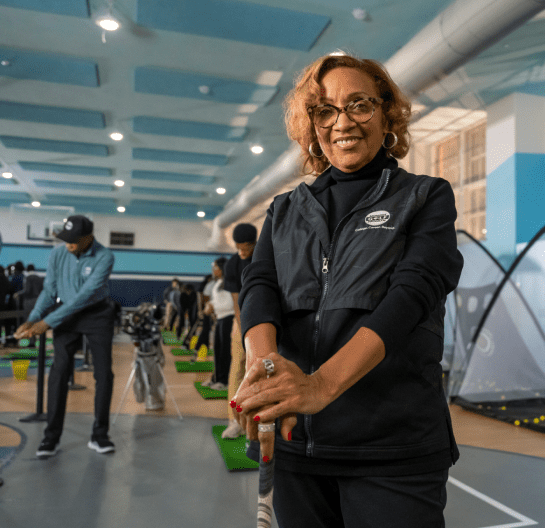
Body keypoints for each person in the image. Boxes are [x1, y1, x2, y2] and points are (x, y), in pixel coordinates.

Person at [233, 54, 463, 527]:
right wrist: (264, 367)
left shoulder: (425, 196)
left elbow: (413, 294)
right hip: (299, 448)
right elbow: (259, 285)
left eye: (359, 104)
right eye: (325, 110)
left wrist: (321, 385)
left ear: (385, 114)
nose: (343, 122)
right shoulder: (284, 209)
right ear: (312, 124)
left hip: (392, 450)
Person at [15, 215, 117, 459]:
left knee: (104, 373)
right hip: (66, 316)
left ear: (88, 239)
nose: (69, 244)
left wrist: (47, 322)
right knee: (59, 371)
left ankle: (100, 435)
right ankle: (51, 438)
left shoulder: (105, 257)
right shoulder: (58, 255)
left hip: (97, 314)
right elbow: (49, 291)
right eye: (66, 239)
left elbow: (84, 297)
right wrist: (33, 318)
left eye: (74, 241)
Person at [220, 223, 256, 439]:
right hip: (242, 321)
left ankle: (264, 421)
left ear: (255, 243)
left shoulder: (265, 256)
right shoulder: (232, 265)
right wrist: (243, 330)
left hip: (269, 320)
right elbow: (236, 303)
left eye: (247, 247)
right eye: (239, 247)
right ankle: (234, 421)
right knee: (237, 369)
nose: (243, 251)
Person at [201, 258, 232, 391]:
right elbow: (216, 300)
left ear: (222, 268)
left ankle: (224, 381)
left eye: (216, 268)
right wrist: (210, 304)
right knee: (217, 351)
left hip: (228, 319)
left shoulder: (230, 283)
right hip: (220, 319)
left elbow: (230, 304)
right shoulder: (218, 283)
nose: (214, 270)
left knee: (225, 352)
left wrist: (213, 307)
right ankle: (216, 378)